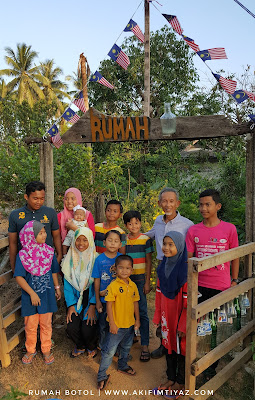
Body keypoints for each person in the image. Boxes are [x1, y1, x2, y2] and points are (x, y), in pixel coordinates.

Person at [186, 189, 239, 379]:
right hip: (199, 286)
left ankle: (210, 368)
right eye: (200, 204)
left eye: (207, 204)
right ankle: (195, 363)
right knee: (198, 327)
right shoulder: (193, 231)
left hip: (222, 286)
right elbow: (190, 259)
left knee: (217, 328)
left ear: (218, 206)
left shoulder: (229, 229)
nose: (203, 208)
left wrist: (234, 280)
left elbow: (234, 257)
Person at [146, 187, 193, 359]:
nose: (168, 204)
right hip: (162, 267)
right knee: (164, 305)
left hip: (179, 270)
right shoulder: (158, 221)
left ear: (177, 203)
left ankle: (179, 347)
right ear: (159, 203)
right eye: (164, 201)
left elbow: (191, 247)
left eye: (171, 201)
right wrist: (134, 236)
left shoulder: (188, 225)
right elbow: (150, 234)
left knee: (178, 307)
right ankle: (163, 344)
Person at [14, 220, 61, 365]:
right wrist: (32, 294)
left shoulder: (49, 252)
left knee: (46, 323)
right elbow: (19, 277)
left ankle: (46, 349)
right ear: (30, 235)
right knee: (30, 324)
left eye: (44, 232)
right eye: (40, 233)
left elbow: (53, 271)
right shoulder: (23, 255)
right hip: (30, 297)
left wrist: (57, 287)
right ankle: (30, 349)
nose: (44, 235)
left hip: (46, 295)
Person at [97, 255, 140, 391]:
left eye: (127, 268)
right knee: (109, 351)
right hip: (117, 325)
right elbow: (109, 306)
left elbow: (135, 303)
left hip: (129, 324)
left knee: (126, 348)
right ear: (115, 269)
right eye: (121, 268)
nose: (124, 271)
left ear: (132, 270)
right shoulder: (113, 286)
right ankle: (101, 376)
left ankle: (122, 365)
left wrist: (137, 320)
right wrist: (112, 324)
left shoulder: (133, 286)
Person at [153, 232, 188, 399]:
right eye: (164, 243)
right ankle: (170, 378)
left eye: (170, 244)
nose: (166, 248)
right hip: (167, 317)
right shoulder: (162, 267)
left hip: (179, 319)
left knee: (181, 349)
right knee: (168, 346)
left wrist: (183, 325)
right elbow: (159, 295)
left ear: (179, 247)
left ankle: (181, 382)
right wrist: (158, 317)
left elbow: (189, 304)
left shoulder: (185, 272)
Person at [8, 181, 62, 272]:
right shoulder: (15, 215)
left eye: (42, 198)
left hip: (46, 262)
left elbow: (56, 235)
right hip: (26, 264)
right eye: (35, 198)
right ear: (26, 197)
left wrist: (59, 255)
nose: (39, 202)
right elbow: (12, 243)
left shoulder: (50, 213)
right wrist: (14, 266)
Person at [62, 227, 98, 358]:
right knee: (72, 327)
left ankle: (91, 345)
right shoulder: (68, 260)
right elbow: (67, 285)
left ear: (90, 241)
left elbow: (97, 286)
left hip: (90, 299)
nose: (81, 244)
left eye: (85, 240)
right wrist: (70, 305)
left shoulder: (96, 260)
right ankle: (80, 346)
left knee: (88, 327)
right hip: (75, 300)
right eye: (78, 240)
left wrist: (93, 305)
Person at [123, 210, 154, 362]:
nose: (133, 226)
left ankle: (145, 345)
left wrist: (147, 281)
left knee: (142, 311)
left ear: (140, 223)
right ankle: (129, 341)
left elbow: (149, 261)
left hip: (141, 279)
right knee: (128, 311)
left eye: (136, 222)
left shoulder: (145, 239)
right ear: (126, 225)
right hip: (127, 280)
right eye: (130, 223)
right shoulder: (124, 240)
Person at [92, 230, 122, 349]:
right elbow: (97, 280)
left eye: (116, 241)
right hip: (104, 301)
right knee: (103, 325)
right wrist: (98, 300)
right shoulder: (99, 260)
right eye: (110, 240)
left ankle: (116, 348)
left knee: (117, 324)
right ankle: (104, 347)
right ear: (104, 242)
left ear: (120, 244)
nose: (113, 243)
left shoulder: (122, 259)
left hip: (118, 301)